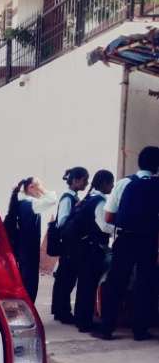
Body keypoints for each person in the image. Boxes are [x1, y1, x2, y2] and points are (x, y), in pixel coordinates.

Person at [94, 145, 159, 341]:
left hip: (125, 239)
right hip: (148, 241)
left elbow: (108, 216)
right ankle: (140, 330)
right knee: (145, 283)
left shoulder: (123, 183)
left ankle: (107, 327)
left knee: (116, 283)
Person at [71, 170, 115, 332]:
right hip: (92, 250)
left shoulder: (88, 198)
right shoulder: (100, 201)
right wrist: (119, 229)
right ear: (104, 183)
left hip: (83, 248)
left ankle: (80, 319)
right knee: (88, 286)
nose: (112, 186)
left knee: (84, 285)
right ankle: (85, 322)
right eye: (111, 183)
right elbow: (103, 226)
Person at [4, 177, 57, 302]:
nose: (41, 188)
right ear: (31, 187)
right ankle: (28, 309)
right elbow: (52, 199)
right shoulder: (31, 204)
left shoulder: (21, 202)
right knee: (30, 284)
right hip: (29, 250)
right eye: (39, 185)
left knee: (24, 281)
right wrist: (42, 189)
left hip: (23, 249)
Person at [51, 166, 89, 323]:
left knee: (65, 278)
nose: (86, 183)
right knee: (66, 279)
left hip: (71, 244)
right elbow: (62, 222)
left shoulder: (74, 197)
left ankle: (60, 310)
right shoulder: (68, 198)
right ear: (75, 180)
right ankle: (63, 312)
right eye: (84, 180)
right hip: (69, 245)